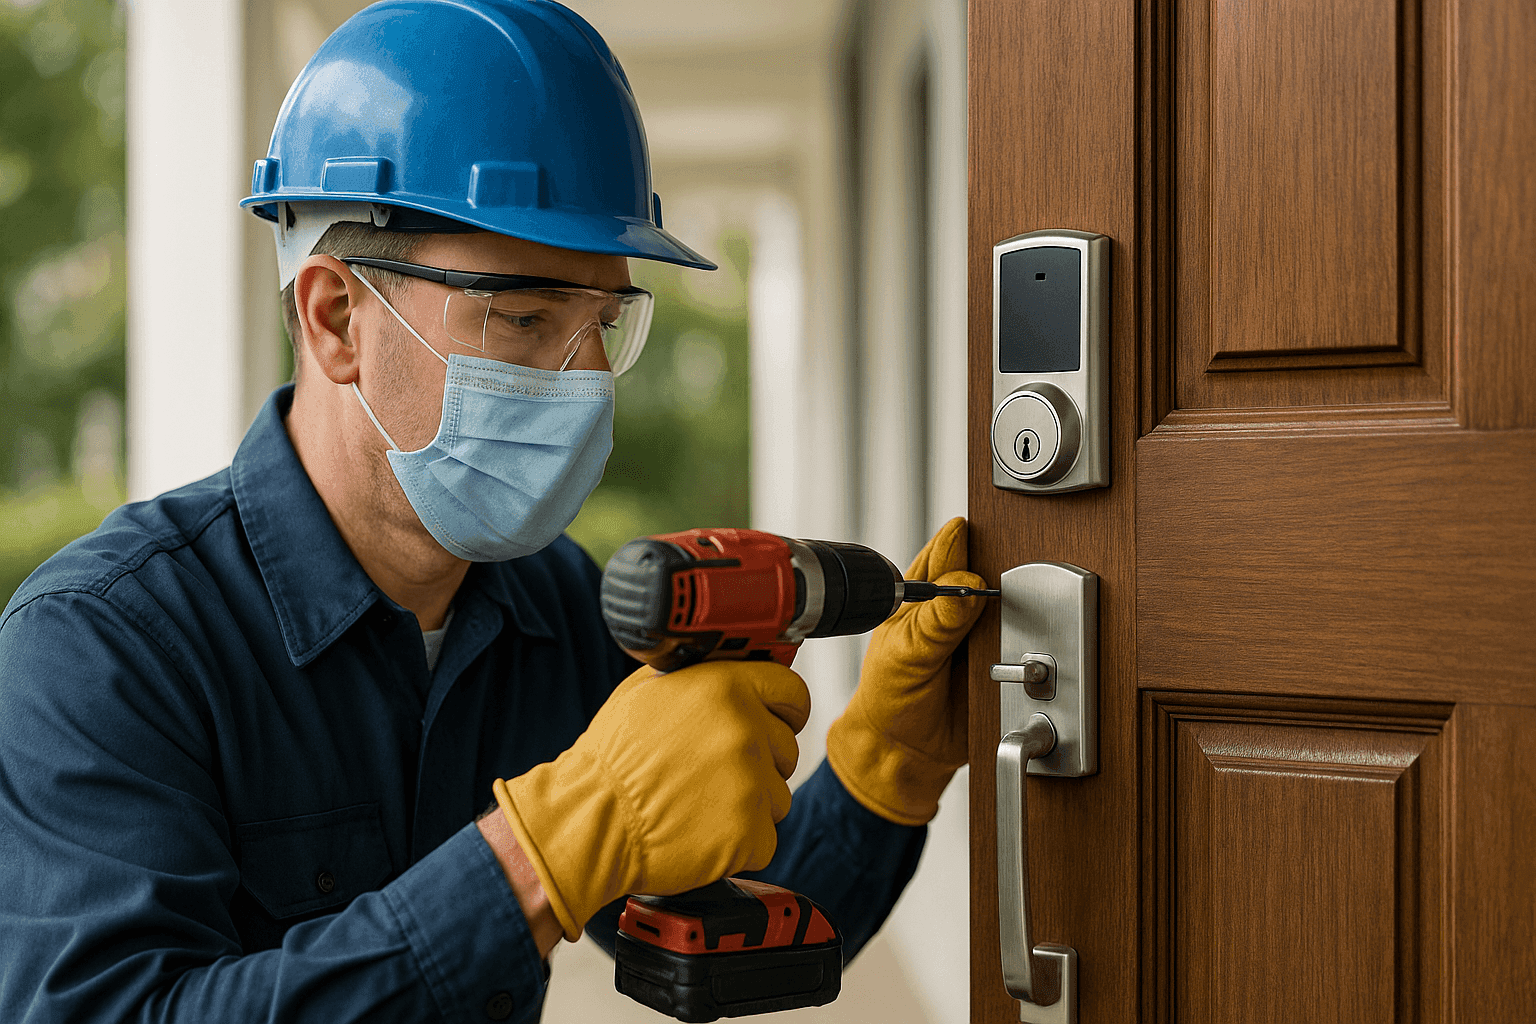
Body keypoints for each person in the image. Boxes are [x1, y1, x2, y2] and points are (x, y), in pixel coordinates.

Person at [0, 2, 987, 1021]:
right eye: (524, 316)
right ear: (337, 318)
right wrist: (542, 851)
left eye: (606, 321)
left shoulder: (552, 610)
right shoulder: (105, 647)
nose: (589, 379)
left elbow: (725, 932)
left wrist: (887, 761)